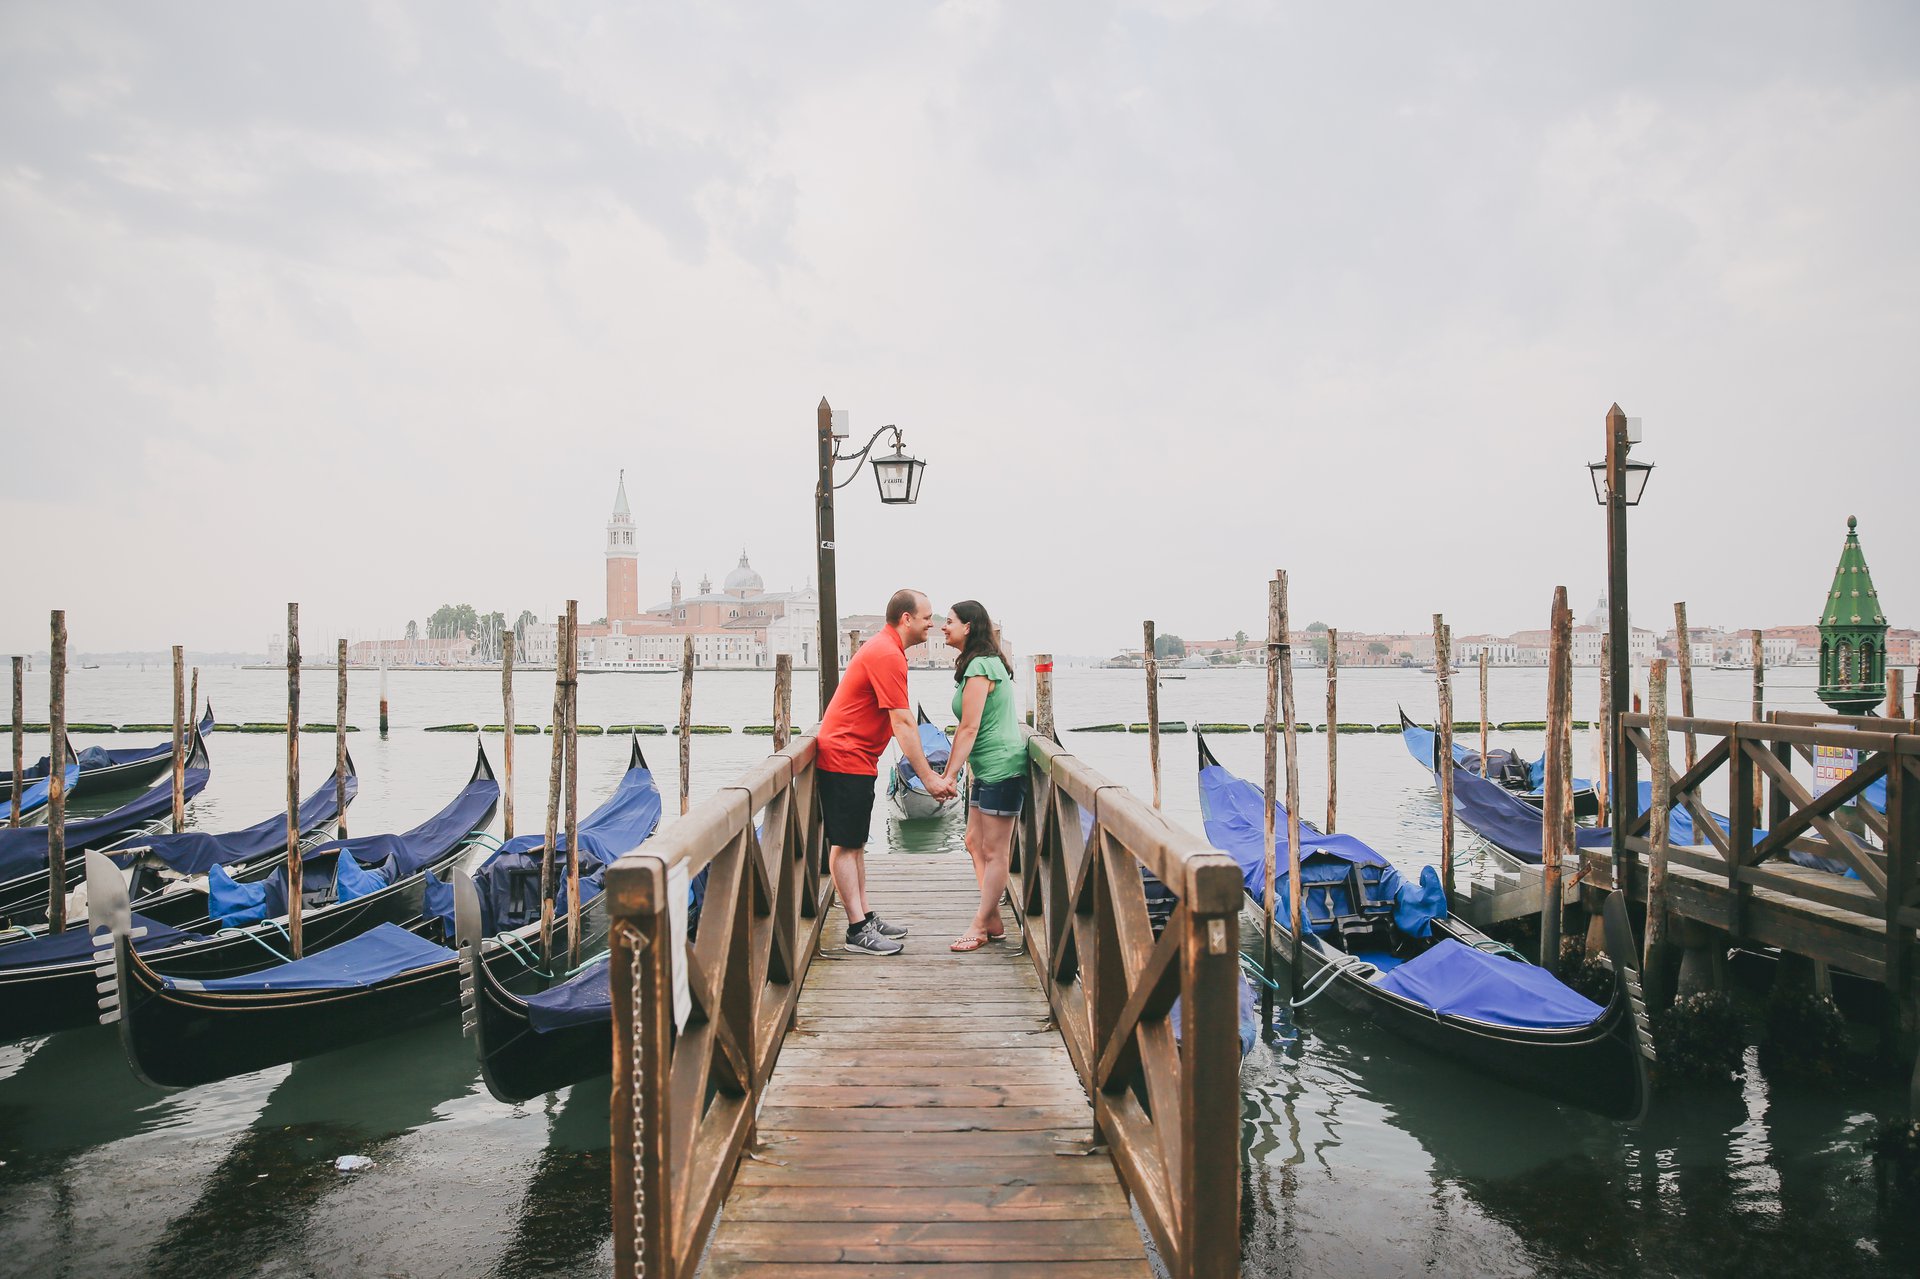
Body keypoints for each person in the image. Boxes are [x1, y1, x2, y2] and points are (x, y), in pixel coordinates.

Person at [814, 588, 956, 956]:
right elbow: (903, 722)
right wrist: (928, 778)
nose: (932, 624)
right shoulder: (886, 654)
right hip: (845, 755)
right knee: (845, 845)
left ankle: (865, 915)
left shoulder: (885, 649)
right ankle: (856, 930)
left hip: (857, 757)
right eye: (927, 617)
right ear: (906, 618)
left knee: (856, 842)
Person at [938, 600, 1026, 952]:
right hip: (986, 768)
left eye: (949, 621)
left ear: (968, 627)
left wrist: (948, 775)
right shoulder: (981, 664)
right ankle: (992, 917)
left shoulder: (981, 667)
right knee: (974, 841)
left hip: (1002, 767)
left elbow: (969, 728)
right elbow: (967, 728)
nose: (943, 627)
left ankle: (980, 924)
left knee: (995, 851)